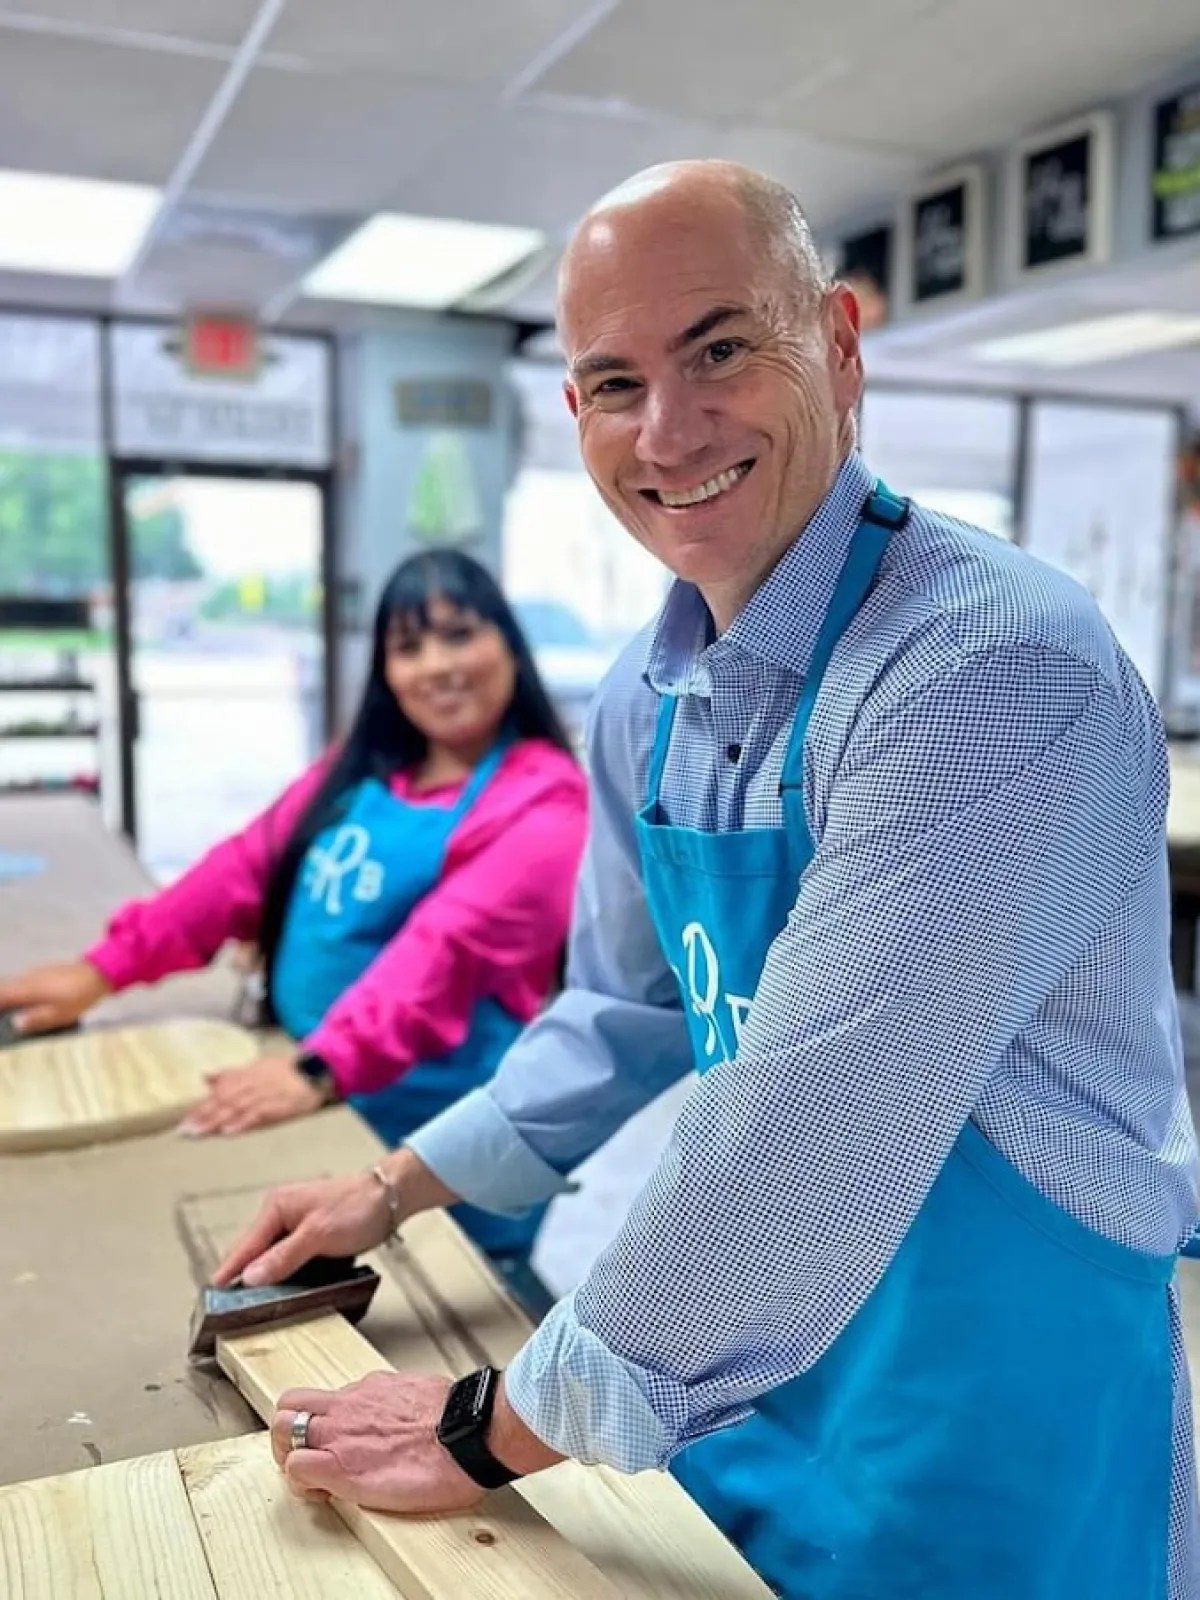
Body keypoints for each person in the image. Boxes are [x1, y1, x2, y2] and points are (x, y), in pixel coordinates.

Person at [214, 161, 1200, 1600]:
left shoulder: (989, 671)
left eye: (722, 349)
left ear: (842, 346)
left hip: (994, 1399)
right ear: (575, 415)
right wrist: (393, 1186)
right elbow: (625, 1011)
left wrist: (488, 1427)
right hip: (759, 1369)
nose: (668, 430)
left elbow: (813, 1125)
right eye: (615, 382)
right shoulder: (650, 700)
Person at [0, 549, 587, 1265]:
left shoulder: (547, 802)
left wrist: (318, 1068)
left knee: (456, 1315)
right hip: (321, 1094)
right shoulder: (359, 771)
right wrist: (100, 971)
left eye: (460, 635)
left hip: (430, 1146)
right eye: (408, 646)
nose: (436, 665)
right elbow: (238, 870)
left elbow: (444, 953)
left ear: (510, 647)